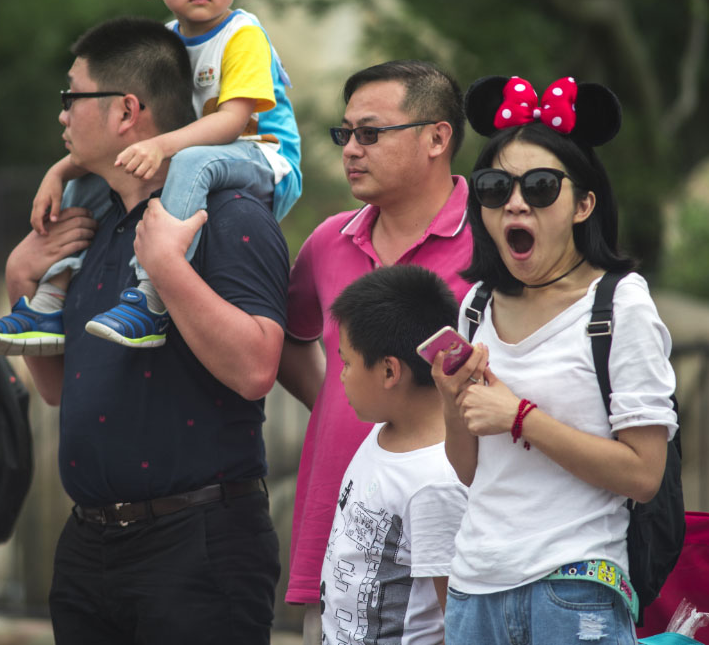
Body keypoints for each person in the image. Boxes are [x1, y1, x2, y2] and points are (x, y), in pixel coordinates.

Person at [2, 16, 289, 644]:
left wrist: (164, 267)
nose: (62, 116)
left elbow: (256, 369)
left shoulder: (231, 215)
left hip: (198, 545)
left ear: (126, 110)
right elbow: (57, 389)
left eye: (71, 98)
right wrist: (21, 279)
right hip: (88, 545)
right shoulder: (95, 224)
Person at [0, 0, 301, 351]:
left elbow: (231, 124)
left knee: (192, 163)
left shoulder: (243, 35)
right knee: (97, 172)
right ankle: (50, 301)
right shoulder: (162, 41)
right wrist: (60, 169)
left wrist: (163, 147)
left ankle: (150, 297)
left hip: (264, 156)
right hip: (200, 152)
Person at [434, 75, 677, 644]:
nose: (515, 202)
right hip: (473, 589)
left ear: (583, 204)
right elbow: (472, 470)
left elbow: (644, 475)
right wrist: (453, 403)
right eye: (496, 186)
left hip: (575, 589)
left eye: (541, 186)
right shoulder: (476, 307)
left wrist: (519, 416)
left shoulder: (621, 303)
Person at [277, 60, 473, 642]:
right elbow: (292, 337)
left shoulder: (494, 242)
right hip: (341, 545)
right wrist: (347, 406)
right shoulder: (326, 241)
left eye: (370, 133)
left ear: (438, 137)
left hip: (453, 545)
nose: (351, 150)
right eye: (345, 134)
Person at [320, 265, 468, 645]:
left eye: (347, 362)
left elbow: (458, 621)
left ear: (389, 371)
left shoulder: (436, 482)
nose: (341, 375)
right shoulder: (381, 432)